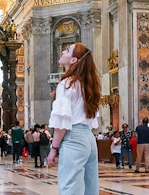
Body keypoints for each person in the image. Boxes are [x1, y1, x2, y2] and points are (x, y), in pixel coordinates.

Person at [47, 43, 101, 195]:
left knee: (70, 188)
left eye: (68, 50)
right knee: (90, 190)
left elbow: (62, 122)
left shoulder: (66, 84)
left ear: (73, 60)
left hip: (74, 139)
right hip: (89, 139)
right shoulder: (87, 85)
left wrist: (54, 148)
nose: (63, 51)